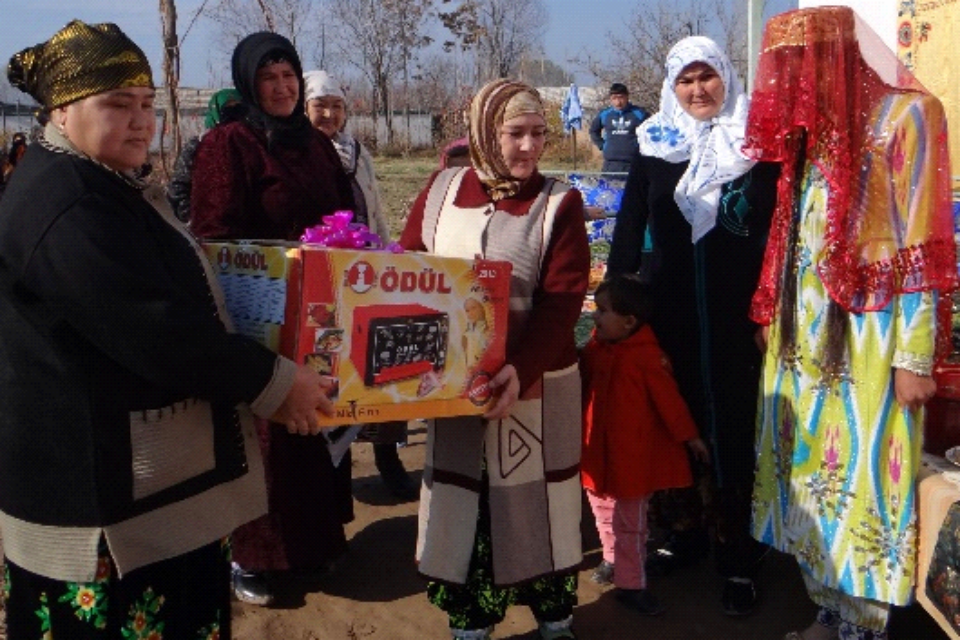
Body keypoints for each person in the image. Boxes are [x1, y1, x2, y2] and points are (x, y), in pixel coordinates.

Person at [0, 20, 334, 638]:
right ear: (64, 111)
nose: (140, 120)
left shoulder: (96, 180)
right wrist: (273, 382)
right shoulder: (66, 203)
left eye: (148, 104)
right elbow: (154, 330)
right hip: (102, 508)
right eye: (118, 105)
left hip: (144, 484)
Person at [744, 7, 957, 640]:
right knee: (811, 473)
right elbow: (789, 235)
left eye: (799, 65)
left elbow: (923, 250)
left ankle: (862, 625)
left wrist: (916, 358)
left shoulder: (910, 116)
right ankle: (829, 610)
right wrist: (769, 315)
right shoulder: (813, 134)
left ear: (837, 56)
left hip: (872, 337)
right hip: (801, 338)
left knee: (865, 481)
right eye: (781, 67)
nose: (789, 82)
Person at [402, 78, 589, 640]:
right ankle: (472, 617)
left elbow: (562, 304)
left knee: (537, 504)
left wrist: (519, 370)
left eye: (538, 134)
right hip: (455, 388)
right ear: (485, 133)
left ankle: (555, 618)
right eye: (514, 133)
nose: (528, 148)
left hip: (534, 384)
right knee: (467, 503)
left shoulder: (558, 202)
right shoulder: (440, 191)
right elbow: (411, 271)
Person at [606, 36, 780, 616]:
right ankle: (683, 533)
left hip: (740, 317)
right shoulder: (655, 141)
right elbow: (632, 218)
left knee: (734, 427)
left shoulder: (758, 142)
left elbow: (780, 229)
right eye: (686, 79)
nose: (698, 89)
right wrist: (617, 293)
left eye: (707, 76)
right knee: (672, 418)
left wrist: (774, 304)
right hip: (672, 309)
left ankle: (740, 556)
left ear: (726, 77)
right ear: (672, 87)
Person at [190, 32, 356, 606]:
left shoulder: (314, 143)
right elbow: (213, 232)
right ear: (249, 84)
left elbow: (344, 209)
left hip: (317, 305)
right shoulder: (229, 143)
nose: (282, 88)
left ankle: (311, 545)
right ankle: (252, 558)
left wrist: (341, 242)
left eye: (289, 76)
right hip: (256, 307)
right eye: (269, 78)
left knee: (309, 424)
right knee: (262, 433)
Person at [302, 68, 419, 499]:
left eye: (336, 106)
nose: (329, 114)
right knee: (329, 372)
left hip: (367, 273)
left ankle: (387, 457)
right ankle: (333, 481)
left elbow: (376, 211)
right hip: (323, 276)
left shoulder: (357, 152)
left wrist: (388, 256)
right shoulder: (298, 153)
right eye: (320, 106)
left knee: (381, 366)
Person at [580, 273, 709, 615]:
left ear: (629, 321)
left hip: (631, 460)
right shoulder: (597, 348)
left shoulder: (647, 358)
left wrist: (690, 436)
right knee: (603, 511)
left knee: (632, 524)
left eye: (603, 310)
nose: (596, 316)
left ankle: (632, 583)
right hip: (598, 454)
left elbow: (670, 403)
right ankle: (611, 560)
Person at [166, 87, 244, 222]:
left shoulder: (255, 145)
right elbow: (178, 188)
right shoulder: (198, 145)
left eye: (238, 106)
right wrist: (193, 218)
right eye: (228, 107)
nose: (233, 112)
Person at [588, 83, 648, 175]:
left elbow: (651, 132)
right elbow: (593, 131)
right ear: (610, 99)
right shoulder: (605, 114)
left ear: (627, 97)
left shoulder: (639, 114)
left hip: (633, 163)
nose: (618, 102)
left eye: (621, 97)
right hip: (610, 164)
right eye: (614, 98)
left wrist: (641, 147)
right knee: (608, 189)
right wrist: (602, 145)